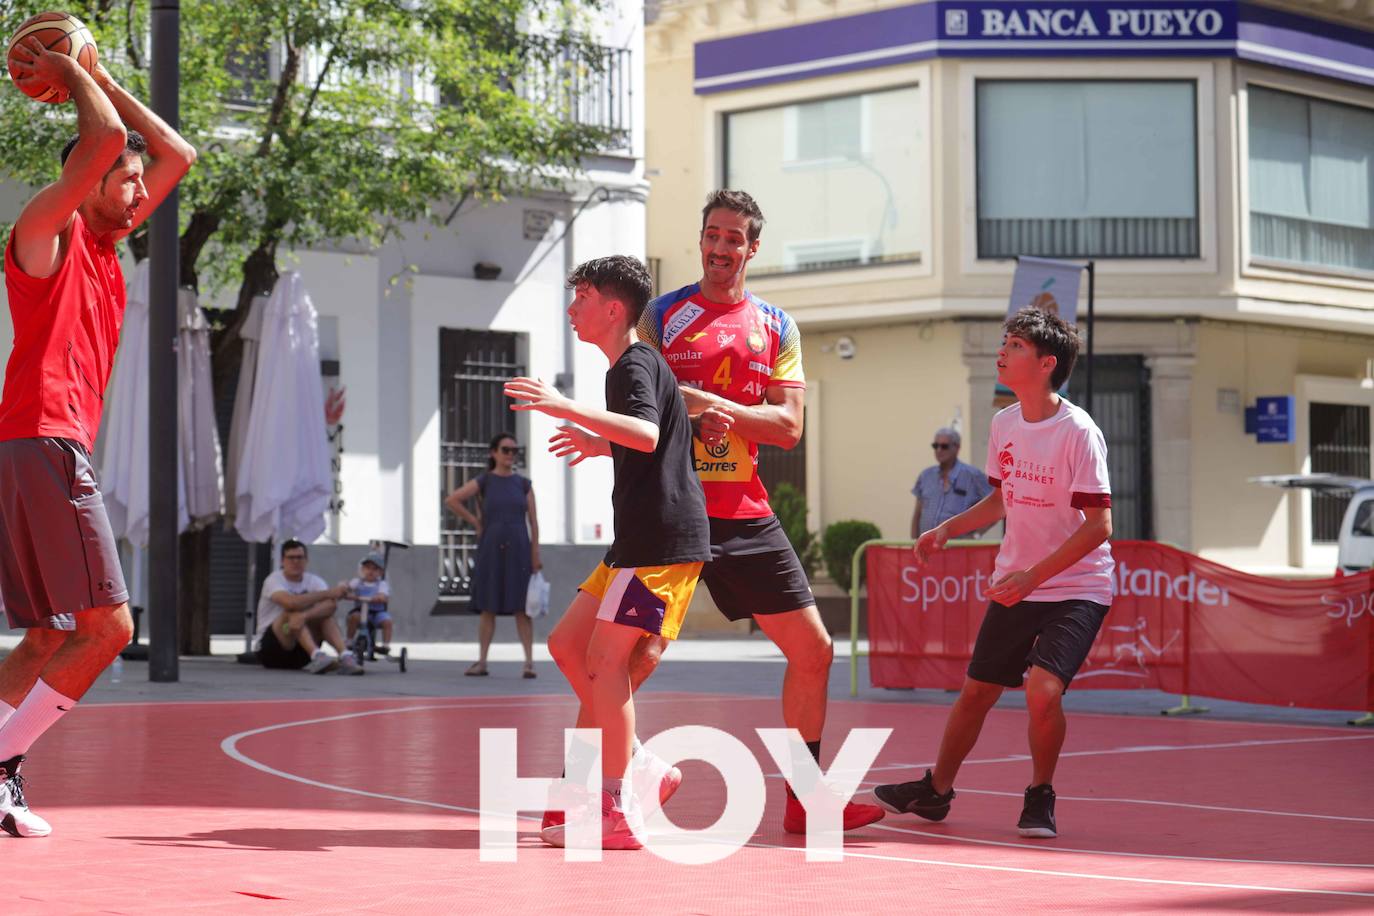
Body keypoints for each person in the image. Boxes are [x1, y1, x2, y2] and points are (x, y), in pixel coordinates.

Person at [633, 189, 884, 834]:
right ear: (701, 240)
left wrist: (717, 410)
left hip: (745, 515)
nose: (721, 247)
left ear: (752, 248)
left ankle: (805, 801)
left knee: (815, 651)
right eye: (712, 234)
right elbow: (642, 407)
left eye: (734, 238)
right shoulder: (660, 316)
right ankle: (589, 789)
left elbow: (789, 426)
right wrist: (686, 408)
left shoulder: (777, 326)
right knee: (632, 657)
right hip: (670, 514)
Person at [0, 41, 196, 837]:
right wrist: (71, 64)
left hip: (30, 447)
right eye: (125, 180)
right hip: (45, 442)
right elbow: (107, 141)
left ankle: (2, 771)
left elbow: (177, 151)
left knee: (47, 633)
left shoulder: (110, 248)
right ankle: (0, 764)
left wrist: (106, 78)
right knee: (110, 629)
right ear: (86, 183)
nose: (141, 186)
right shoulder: (44, 234)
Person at [872, 307, 1114, 839]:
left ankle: (1040, 793)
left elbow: (1098, 526)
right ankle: (936, 790)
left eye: (1016, 346)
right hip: (1017, 583)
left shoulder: (1079, 433)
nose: (1002, 352)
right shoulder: (1005, 423)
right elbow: (1000, 501)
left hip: (1077, 587)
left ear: (1047, 363)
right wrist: (946, 529)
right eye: (1004, 342)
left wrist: (1035, 576)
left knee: (1043, 691)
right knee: (976, 692)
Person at [506, 255, 710, 850]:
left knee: (605, 665)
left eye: (582, 297)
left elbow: (647, 432)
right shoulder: (631, 365)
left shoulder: (632, 364)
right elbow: (654, 436)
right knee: (567, 646)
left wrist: (560, 404)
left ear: (613, 308)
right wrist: (601, 444)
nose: (572, 309)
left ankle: (616, 808)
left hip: (662, 542)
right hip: (634, 542)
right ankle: (645, 767)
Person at [444, 432, 541, 679]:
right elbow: (453, 500)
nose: (510, 454)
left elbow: (534, 521)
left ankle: (529, 662)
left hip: (519, 549)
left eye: (514, 450)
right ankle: (482, 661)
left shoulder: (524, 484)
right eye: (506, 449)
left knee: (523, 608)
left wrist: (535, 555)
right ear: (493, 453)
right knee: (488, 606)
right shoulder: (484, 481)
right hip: (491, 548)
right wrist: (476, 522)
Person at [255, 540, 363, 676]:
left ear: (306, 560)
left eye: (299, 558)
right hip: (272, 649)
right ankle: (317, 655)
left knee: (323, 615)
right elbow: (290, 603)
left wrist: (305, 616)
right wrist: (328, 593)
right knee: (292, 612)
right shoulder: (273, 580)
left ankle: (345, 656)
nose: (295, 562)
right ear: (282, 561)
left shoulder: (314, 581)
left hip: (302, 652)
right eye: (291, 558)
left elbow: (331, 605)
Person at [911, 427, 994, 538]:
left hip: (958, 550)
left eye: (944, 446)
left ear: (957, 447)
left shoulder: (973, 475)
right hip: (928, 549)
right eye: (935, 446)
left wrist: (977, 535)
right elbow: (917, 515)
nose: (939, 450)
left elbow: (997, 504)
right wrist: (914, 543)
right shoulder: (925, 476)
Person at [344, 551, 392, 653]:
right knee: (354, 617)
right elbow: (348, 589)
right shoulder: (357, 582)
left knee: (387, 621)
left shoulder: (381, 584)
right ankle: (349, 640)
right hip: (361, 611)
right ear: (362, 569)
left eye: (375, 569)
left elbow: (383, 596)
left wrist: (380, 597)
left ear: (381, 573)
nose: (370, 571)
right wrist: (346, 590)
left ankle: (386, 645)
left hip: (376, 613)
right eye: (367, 568)